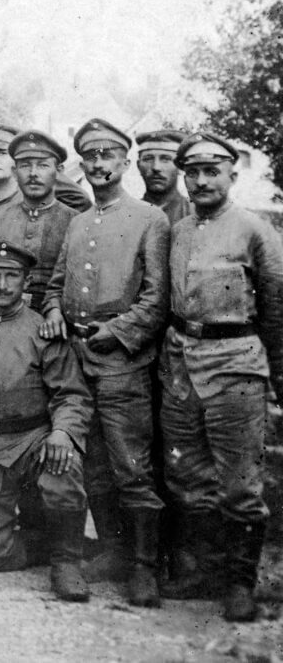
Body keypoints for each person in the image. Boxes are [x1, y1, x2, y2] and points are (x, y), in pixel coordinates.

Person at [42, 118, 169, 606]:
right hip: (76, 357)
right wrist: (53, 311)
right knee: (92, 463)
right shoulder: (79, 222)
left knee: (130, 464)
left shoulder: (148, 219)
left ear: (124, 162)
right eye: (89, 156)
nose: (97, 164)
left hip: (122, 361)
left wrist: (115, 332)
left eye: (107, 155)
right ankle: (113, 550)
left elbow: (156, 300)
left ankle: (144, 568)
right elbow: (56, 283)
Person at [157, 133, 283, 621]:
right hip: (181, 357)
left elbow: (275, 305)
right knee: (187, 472)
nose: (202, 180)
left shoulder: (254, 230)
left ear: (233, 173)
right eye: (193, 172)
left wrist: (276, 367)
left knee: (239, 479)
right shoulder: (180, 229)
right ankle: (206, 571)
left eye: (213, 171)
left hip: (235, 359)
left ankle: (239, 582)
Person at [0, 239, 92, 600]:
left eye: (11, 276)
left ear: (26, 281)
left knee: (64, 464)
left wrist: (62, 434)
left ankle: (66, 560)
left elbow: (71, 395)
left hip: (34, 439)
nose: (2, 285)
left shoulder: (43, 330)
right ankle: (40, 542)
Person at [0, 130, 77, 317]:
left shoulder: (74, 221)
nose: (33, 174)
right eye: (25, 166)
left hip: (57, 321)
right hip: (4, 318)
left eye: (42, 165)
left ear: (58, 171)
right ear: (15, 171)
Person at [135, 129, 190, 225]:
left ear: (181, 166)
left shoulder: (196, 213)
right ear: (138, 166)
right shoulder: (126, 215)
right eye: (148, 159)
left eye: (165, 159)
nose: (156, 167)